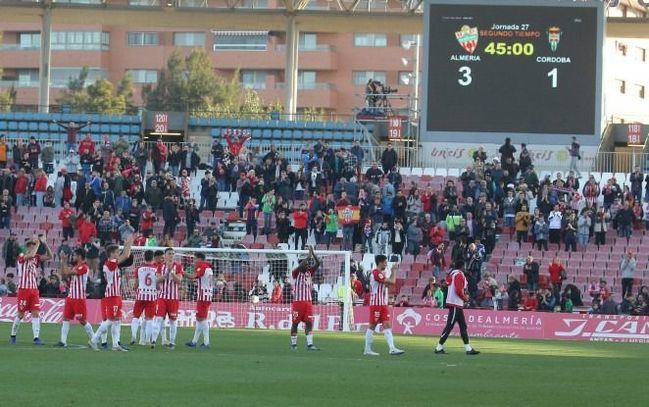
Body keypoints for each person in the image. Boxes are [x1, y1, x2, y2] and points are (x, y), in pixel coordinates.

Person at [89, 236, 133, 352]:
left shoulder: (112, 263)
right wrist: (128, 244)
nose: (119, 253)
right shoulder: (109, 263)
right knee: (110, 320)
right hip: (111, 295)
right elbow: (126, 256)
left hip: (116, 295)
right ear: (112, 254)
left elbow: (125, 257)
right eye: (117, 252)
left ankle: (115, 344)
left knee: (117, 320)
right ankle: (94, 340)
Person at [9, 236, 52, 345]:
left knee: (36, 313)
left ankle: (36, 338)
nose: (33, 246)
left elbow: (50, 256)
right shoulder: (22, 256)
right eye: (31, 244)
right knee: (20, 314)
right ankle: (13, 335)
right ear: (27, 246)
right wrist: (38, 243)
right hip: (23, 289)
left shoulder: (36, 257)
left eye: (33, 244)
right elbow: (32, 254)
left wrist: (45, 244)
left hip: (34, 289)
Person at [434, 259, 480, 355]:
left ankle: (468, 348)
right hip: (455, 303)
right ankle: (438, 347)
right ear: (462, 266)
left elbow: (447, 284)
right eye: (465, 266)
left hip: (456, 304)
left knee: (463, 326)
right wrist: (465, 298)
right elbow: (458, 290)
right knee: (449, 326)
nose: (466, 267)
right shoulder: (459, 275)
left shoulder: (452, 274)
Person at [363, 254, 405, 356]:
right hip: (376, 304)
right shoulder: (376, 273)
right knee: (372, 326)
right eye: (385, 262)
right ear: (380, 262)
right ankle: (367, 349)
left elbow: (388, 283)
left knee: (387, 325)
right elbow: (393, 281)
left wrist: (391, 273)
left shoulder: (381, 273)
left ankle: (392, 348)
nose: (386, 264)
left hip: (382, 304)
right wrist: (394, 271)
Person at [56, 248, 95, 347]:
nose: (73, 257)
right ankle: (63, 341)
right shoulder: (76, 267)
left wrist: (64, 261)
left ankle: (94, 339)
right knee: (65, 318)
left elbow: (68, 273)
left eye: (74, 255)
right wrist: (62, 261)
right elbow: (64, 274)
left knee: (82, 321)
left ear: (79, 256)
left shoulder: (84, 267)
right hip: (71, 297)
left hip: (79, 298)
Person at [150, 247, 184, 349]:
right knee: (159, 319)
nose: (171, 255)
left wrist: (172, 273)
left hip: (173, 298)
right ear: (164, 255)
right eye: (169, 253)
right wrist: (166, 273)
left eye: (172, 254)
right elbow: (157, 280)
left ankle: (172, 342)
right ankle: (154, 341)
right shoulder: (160, 267)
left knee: (173, 321)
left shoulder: (178, 266)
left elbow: (179, 281)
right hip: (162, 297)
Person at [290, 246, 320, 351]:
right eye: (306, 264)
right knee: (295, 323)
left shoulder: (309, 273)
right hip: (298, 302)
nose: (307, 266)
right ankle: (294, 344)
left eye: (308, 264)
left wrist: (313, 254)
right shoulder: (296, 273)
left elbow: (318, 263)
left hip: (308, 302)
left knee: (309, 323)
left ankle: (310, 344)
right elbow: (302, 265)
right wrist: (308, 256)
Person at [128, 250, 158, 348]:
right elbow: (157, 284)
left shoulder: (139, 268)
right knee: (149, 319)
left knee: (136, 316)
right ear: (153, 258)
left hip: (140, 295)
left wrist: (135, 288)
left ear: (144, 257)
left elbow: (136, 283)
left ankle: (133, 336)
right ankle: (148, 340)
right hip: (151, 296)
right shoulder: (156, 269)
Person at [185, 252, 213, 349]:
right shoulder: (208, 267)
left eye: (195, 259)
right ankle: (194, 341)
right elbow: (201, 279)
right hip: (207, 295)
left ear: (200, 259)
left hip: (203, 296)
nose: (194, 261)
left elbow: (193, 276)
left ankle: (206, 342)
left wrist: (182, 272)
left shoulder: (202, 266)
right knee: (199, 319)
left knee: (202, 319)